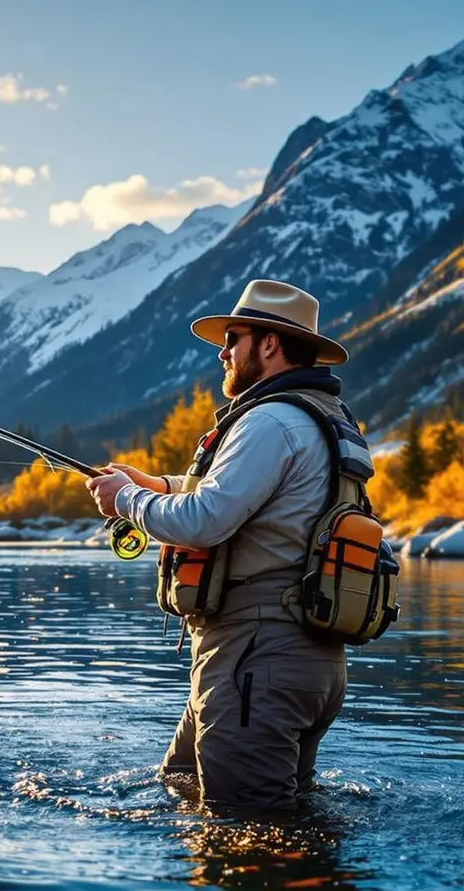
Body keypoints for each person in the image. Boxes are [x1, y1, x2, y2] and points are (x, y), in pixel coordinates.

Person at [86, 280, 356, 812]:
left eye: (233, 338)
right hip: (304, 658)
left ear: (270, 345)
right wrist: (159, 486)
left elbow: (206, 521)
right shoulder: (320, 417)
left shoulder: (270, 420)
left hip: (257, 658)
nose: (222, 352)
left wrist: (129, 501)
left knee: (246, 833)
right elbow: (253, 502)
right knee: (185, 785)